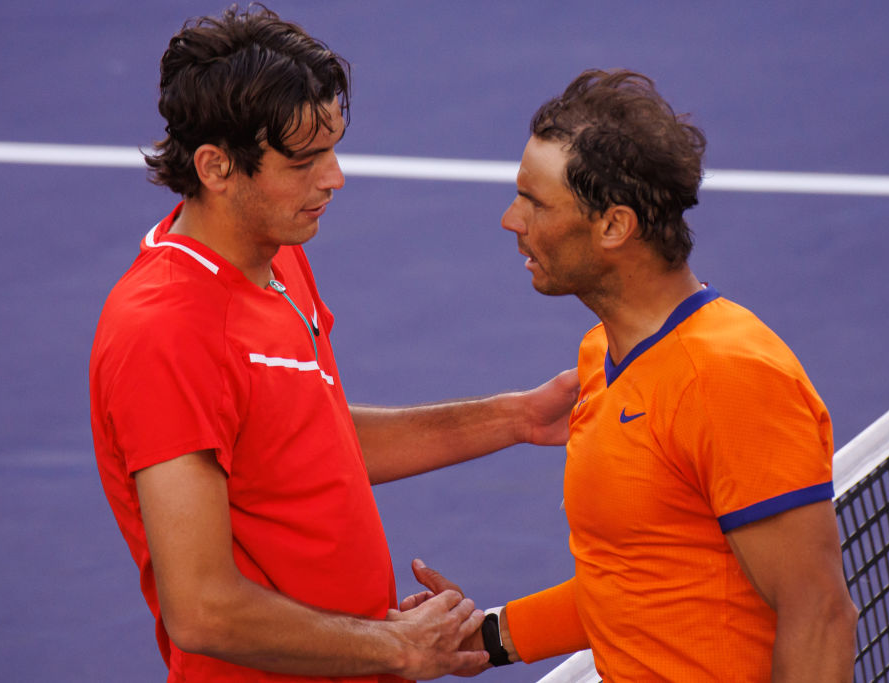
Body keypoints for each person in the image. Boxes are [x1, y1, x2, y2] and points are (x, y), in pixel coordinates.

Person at [87, 6, 578, 682]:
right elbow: (202, 609)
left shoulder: (275, 254)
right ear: (215, 166)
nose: (334, 177)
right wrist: (398, 645)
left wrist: (516, 417)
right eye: (305, 160)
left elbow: (300, 441)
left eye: (334, 148)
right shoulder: (164, 332)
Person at [410, 69, 859, 680]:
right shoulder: (603, 353)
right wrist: (488, 637)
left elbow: (820, 614)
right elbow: (639, 579)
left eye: (535, 202)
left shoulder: (726, 378)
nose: (510, 219)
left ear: (614, 226)